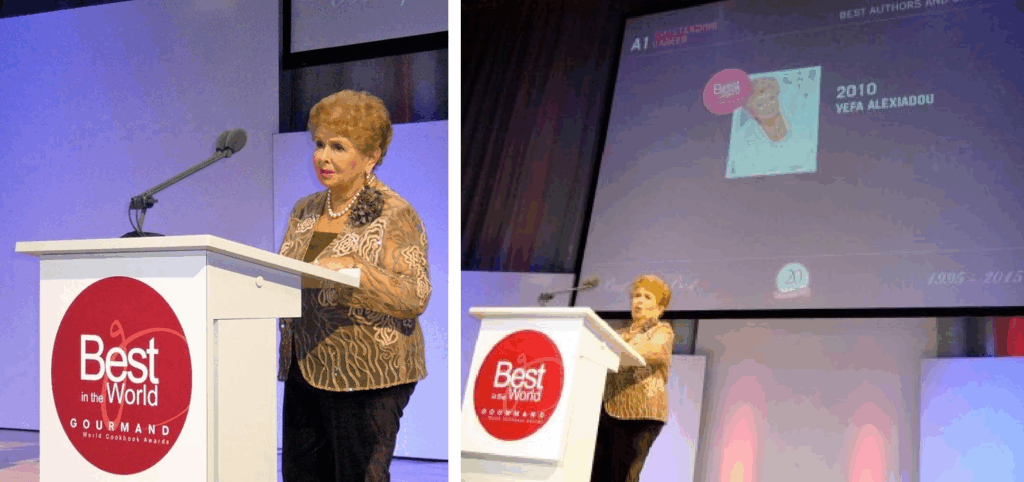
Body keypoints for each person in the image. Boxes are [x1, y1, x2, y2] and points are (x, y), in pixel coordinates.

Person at [277, 90, 431, 482]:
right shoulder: (305, 209)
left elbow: (415, 294)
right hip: (305, 365)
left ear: (371, 156)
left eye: (339, 147)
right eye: (319, 144)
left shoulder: (393, 212)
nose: (323, 157)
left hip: (368, 374)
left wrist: (357, 270)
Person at [590, 274, 675, 482]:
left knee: (623, 476)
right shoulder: (618, 334)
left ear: (660, 308)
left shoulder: (662, 331)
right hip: (609, 411)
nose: (639, 301)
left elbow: (653, 351)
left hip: (641, 415)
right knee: (596, 475)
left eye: (647, 297)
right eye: (636, 296)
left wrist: (611, 349)